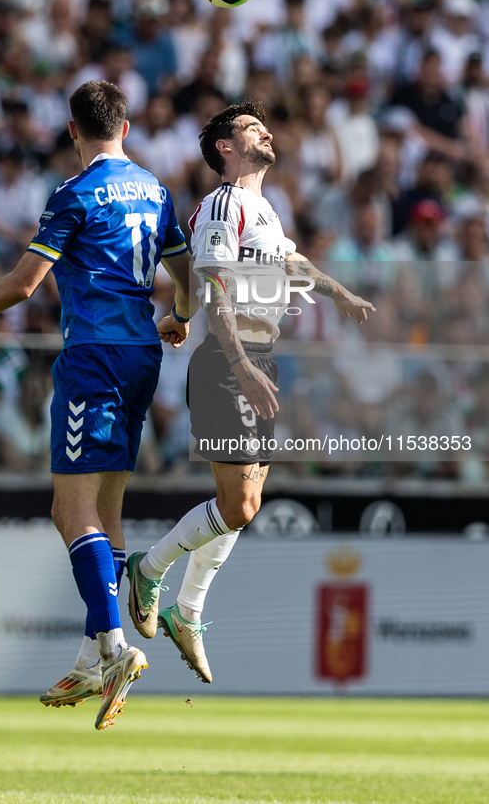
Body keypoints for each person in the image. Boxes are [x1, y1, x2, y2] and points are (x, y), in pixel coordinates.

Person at [0, 79, 195, 731]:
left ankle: (114, 646)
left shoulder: (74, 194)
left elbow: (23, 284)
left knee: (70, 509)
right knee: (104, 511)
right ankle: (92, 650)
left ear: (73, 132)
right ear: (124, 128)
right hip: (142, 356)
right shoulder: (155, 191)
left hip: (93, 355)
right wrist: (178, 316)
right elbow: (185, 276)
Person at [126, 100, 375, 683]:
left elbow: (291, 261)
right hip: (229, 362)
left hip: (257, 358)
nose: (264, 130)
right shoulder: (223, 203)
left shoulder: (264, 209)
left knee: (245, 506)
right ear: (226, 149)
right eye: (248, 127)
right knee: (238, 505)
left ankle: (187, 612)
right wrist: (238, 363)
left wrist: (338, 293)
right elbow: (213, 283)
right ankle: (148, 569)